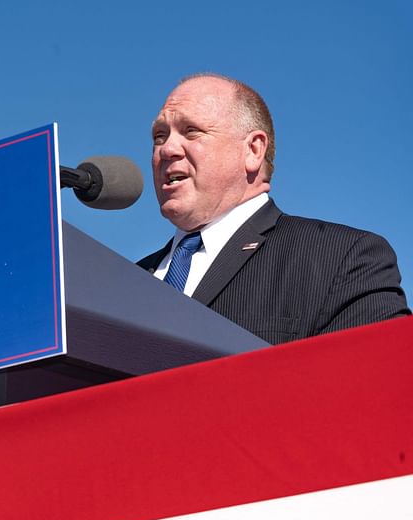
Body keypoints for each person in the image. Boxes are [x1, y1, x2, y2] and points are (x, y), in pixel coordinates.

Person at [137, 73, 410, 344]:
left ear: (253, 150)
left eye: (191, 131)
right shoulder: (130, 281)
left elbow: (372, 377)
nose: (167, 148)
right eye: (159, 136)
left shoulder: (344, 259)